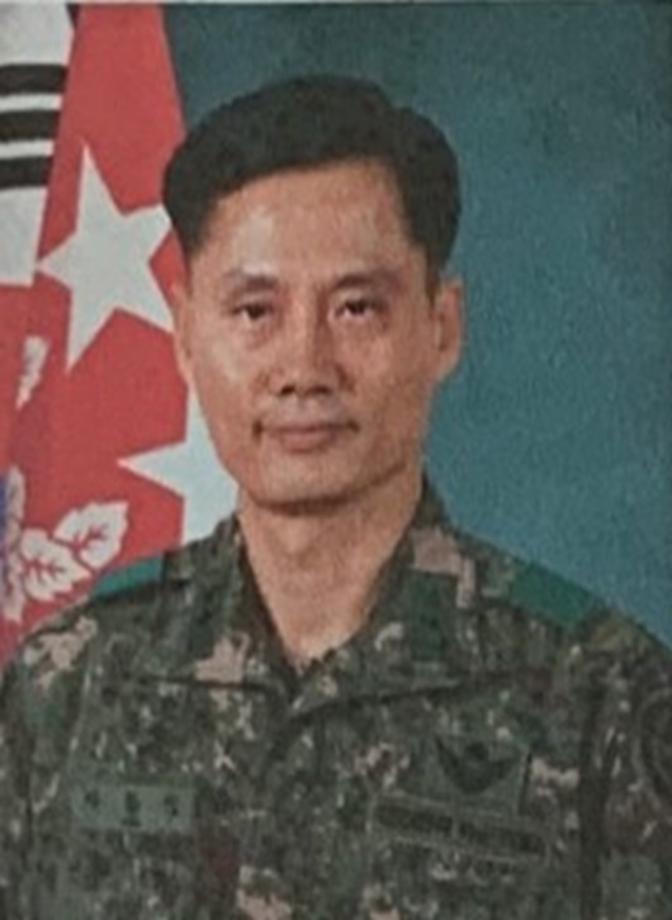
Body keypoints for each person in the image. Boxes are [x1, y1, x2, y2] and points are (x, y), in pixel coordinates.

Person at [1, 74, 671, 920]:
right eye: (255, 312)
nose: (304, 368)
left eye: (356, 309)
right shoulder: (67, 685)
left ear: (441, 328)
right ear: (185, 337)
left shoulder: (602, 699)